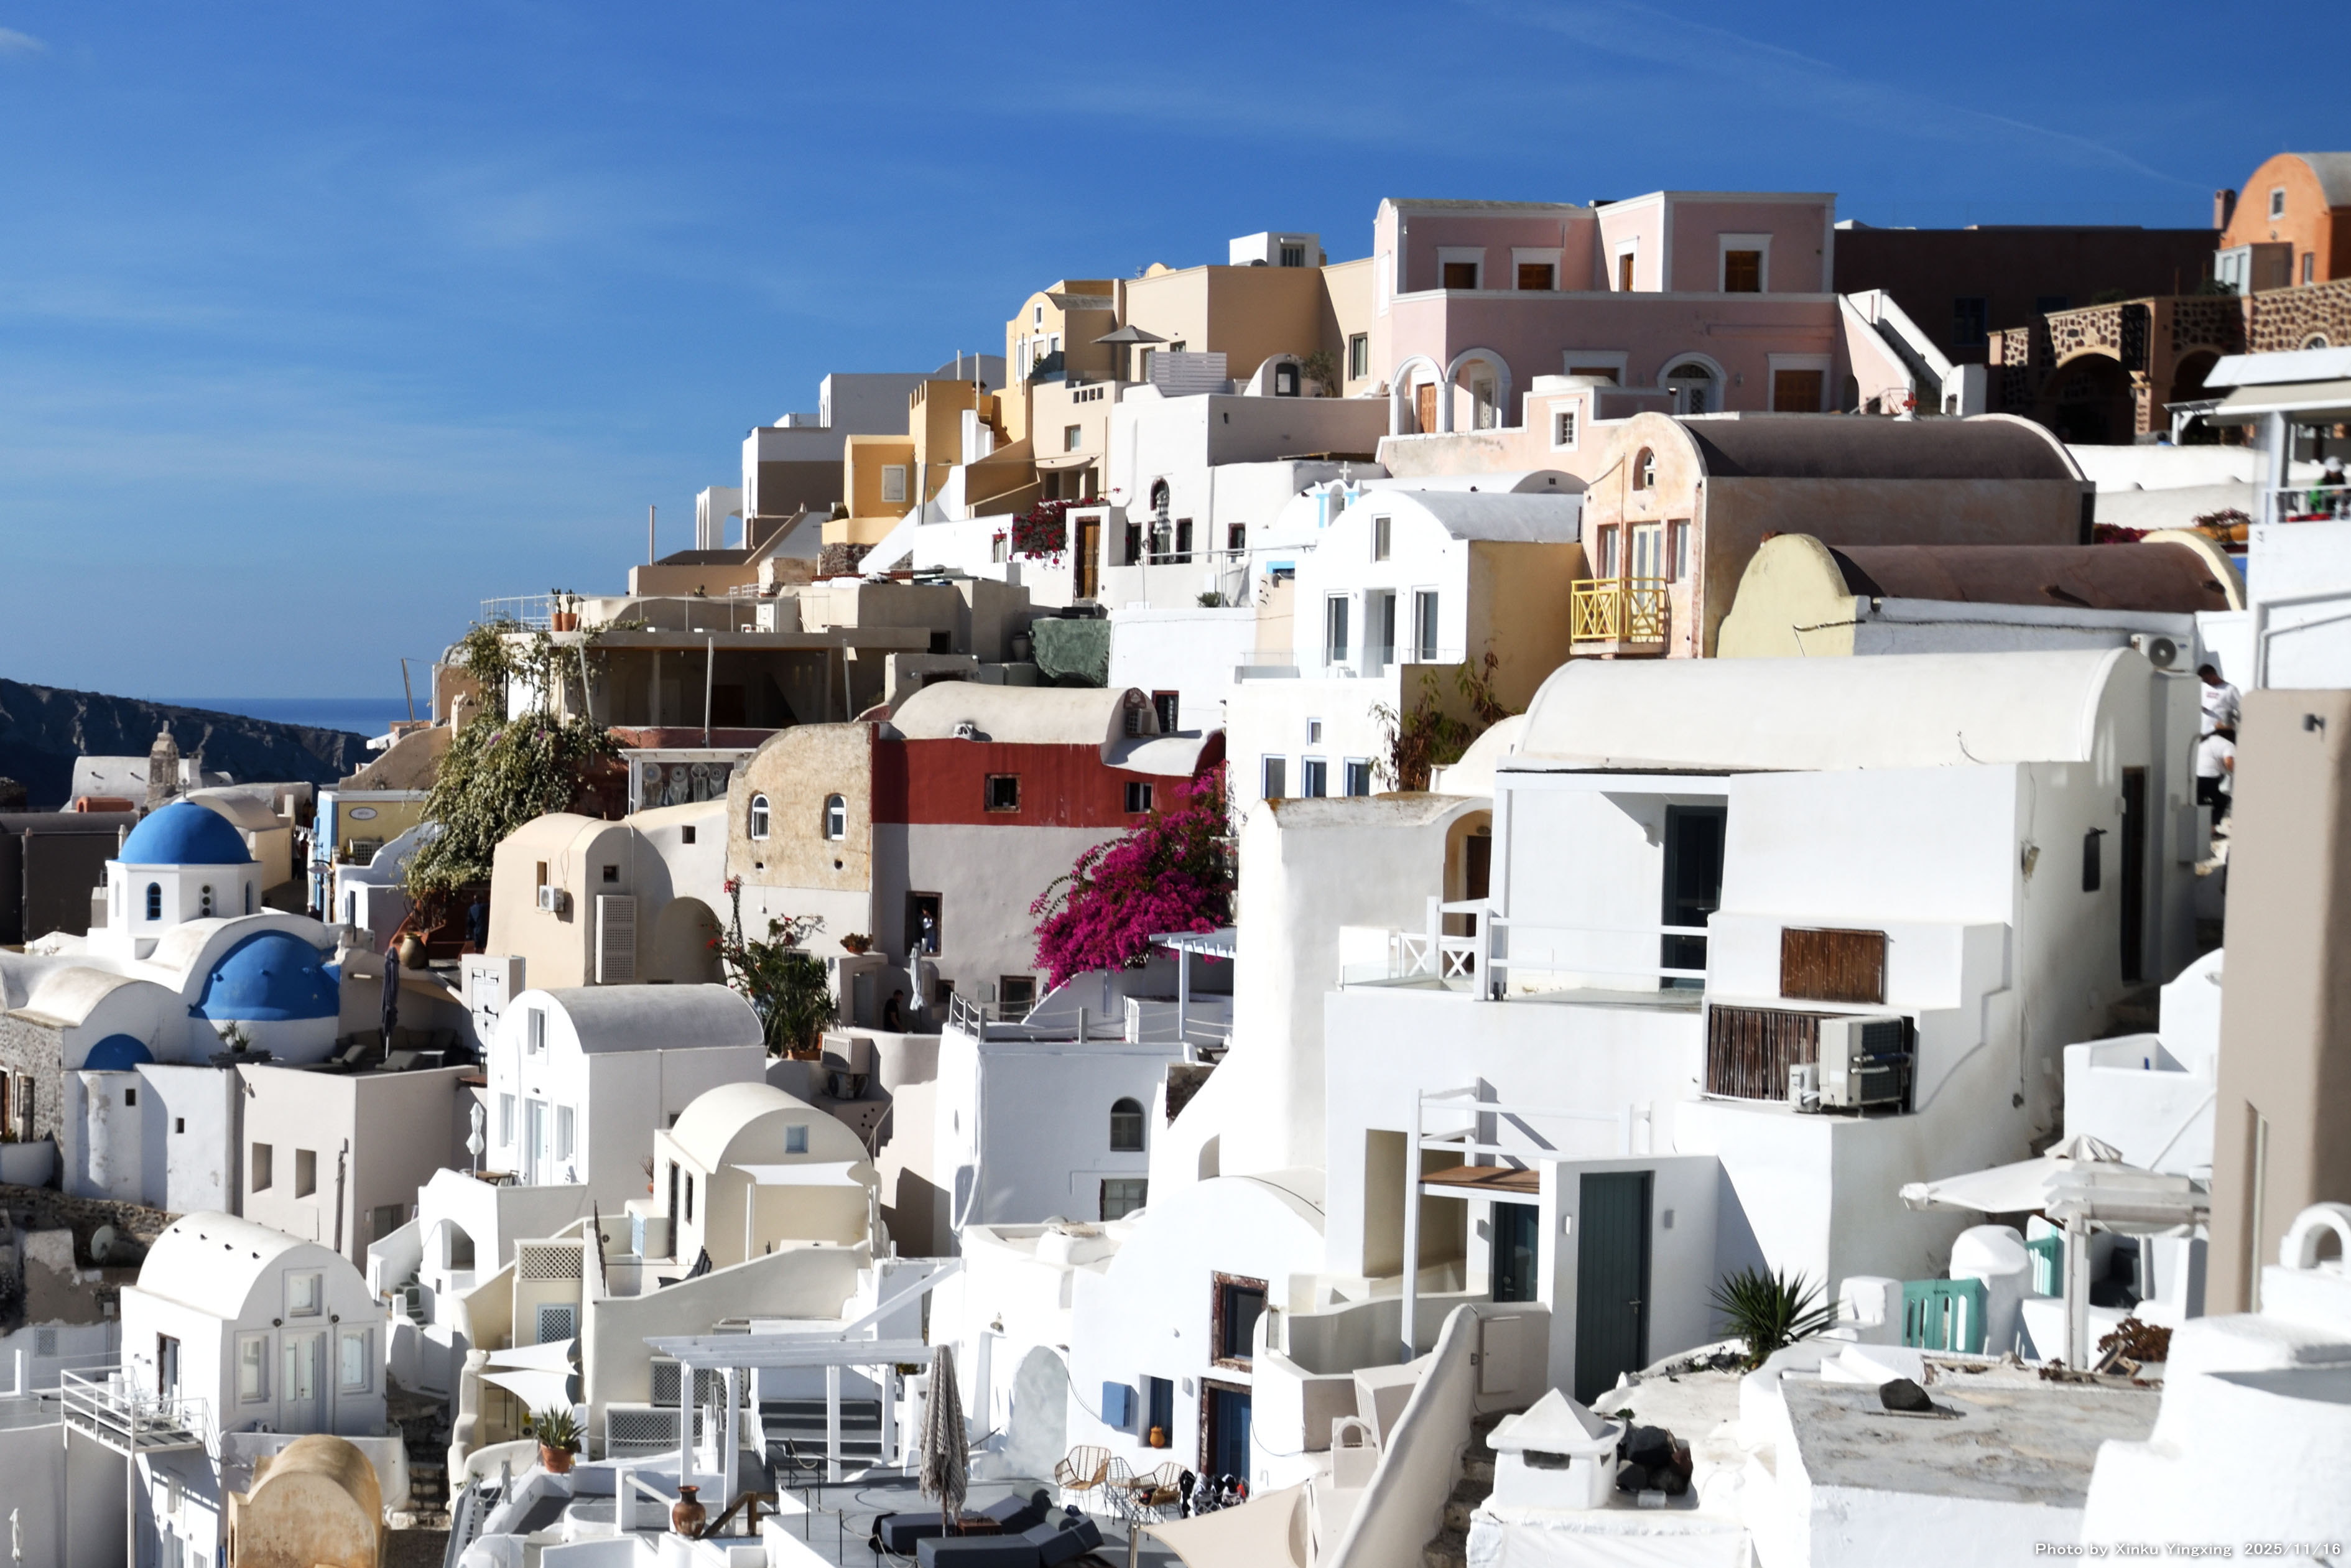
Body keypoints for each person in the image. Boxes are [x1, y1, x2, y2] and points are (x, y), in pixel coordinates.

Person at [2197, 726, 2236, 825]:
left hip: (2196, 776)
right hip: (2210, 777)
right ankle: (2212, 828)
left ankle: (2201, 826)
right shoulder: (2228, 744)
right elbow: (2229, 762)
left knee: (2201, 802)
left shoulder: (2205, 740)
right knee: (2222, 801)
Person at [2198, 664, 2241, 738]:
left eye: (2207, 679)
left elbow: (2242, 710)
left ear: (2214, 675)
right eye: (2203, 681)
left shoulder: (2230, 689)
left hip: (2220, 733)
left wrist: (2230, 724)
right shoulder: (2204, 687)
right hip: (2203, 733)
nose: (2206, 682)